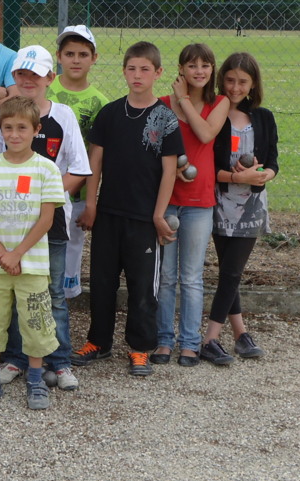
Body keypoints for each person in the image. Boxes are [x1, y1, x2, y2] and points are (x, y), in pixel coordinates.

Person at [0, 45, 90, 392]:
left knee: (51, 293)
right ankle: (17, 357)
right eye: (21, 74)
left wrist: (47, 199)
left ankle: (60, 360)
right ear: (14, 77)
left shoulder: (64, 116)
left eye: (35, 74)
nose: (28, 80)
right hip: (8, 220)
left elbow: (79, 169)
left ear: (49, 78)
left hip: (50, 220)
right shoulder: (4, 117)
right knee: (12, 292)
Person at [72, 41, 184, 377]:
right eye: (132, 68)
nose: (137, 75)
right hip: (108, 214)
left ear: (158, 73)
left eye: (145, 69)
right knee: (102, 282)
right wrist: (91, 204)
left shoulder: (165, 119)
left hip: (143, 218)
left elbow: (169, 171)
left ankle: (139, 348)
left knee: (141, 287)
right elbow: (96, 162)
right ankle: (99, 341)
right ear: (123, 71)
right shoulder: (109, 113)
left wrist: (158, 213)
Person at [0, 96, 66, 410]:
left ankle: (36, 378)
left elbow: (46, 218)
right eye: (7, 127)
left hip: (32, 264)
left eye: (22, 128)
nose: (14, 134)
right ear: (0, 130)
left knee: (35, 322)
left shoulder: (46, 169)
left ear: (36, 129)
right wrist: (2, 253)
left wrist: (18, 253)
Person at [152, 44, 230, 367]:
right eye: (192, 65)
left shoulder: (219, 102)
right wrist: (173, 170)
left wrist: (184, 100)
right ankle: (163, 341)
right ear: (181, 69)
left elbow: (205, 133)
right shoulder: (162, 105)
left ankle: (189, 342)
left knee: (192, 276)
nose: (199, 71)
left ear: (212, 70)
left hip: (200, 200)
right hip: (169, 198)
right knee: (167, 275)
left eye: (205, 65)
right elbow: (155, 150)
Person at [200, 52, 278, 365]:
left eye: (242, 81)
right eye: (230, 80)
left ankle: (215, 337)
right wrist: (236, 176)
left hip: (252, 205)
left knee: (232, 271)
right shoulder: (215, 116)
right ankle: (236, 335)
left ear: (253, 84)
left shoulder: (263, 117)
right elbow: (209, 167)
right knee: (230, 271)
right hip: (220, 203)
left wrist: (263, 175)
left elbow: (273, 161)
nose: (235, 87)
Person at [45, 25, 107, 300]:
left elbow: (95, 156)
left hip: (77, 191)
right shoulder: (45, 90)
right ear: (58, 56)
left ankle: (63, 308)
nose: (76, 60)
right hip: (39, 186)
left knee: (69, 246)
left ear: (94, 58)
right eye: (69, 53)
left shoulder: (99, 102)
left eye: (83, 54)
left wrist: (91, 203)